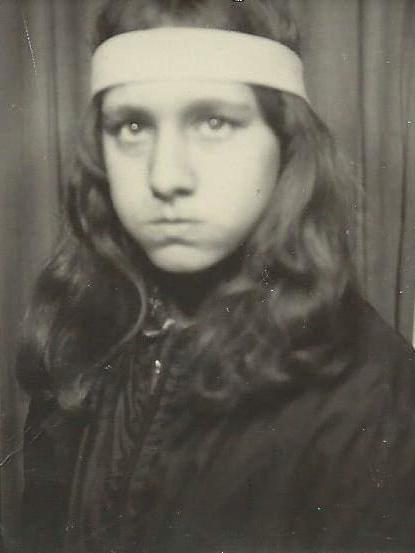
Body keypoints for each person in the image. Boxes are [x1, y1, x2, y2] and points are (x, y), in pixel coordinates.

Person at [15, 1, 415, 552]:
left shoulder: (378, 395)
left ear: (286, 143)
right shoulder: (80, 333)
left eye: (214, 122)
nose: (166, 177)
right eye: (132, 126)